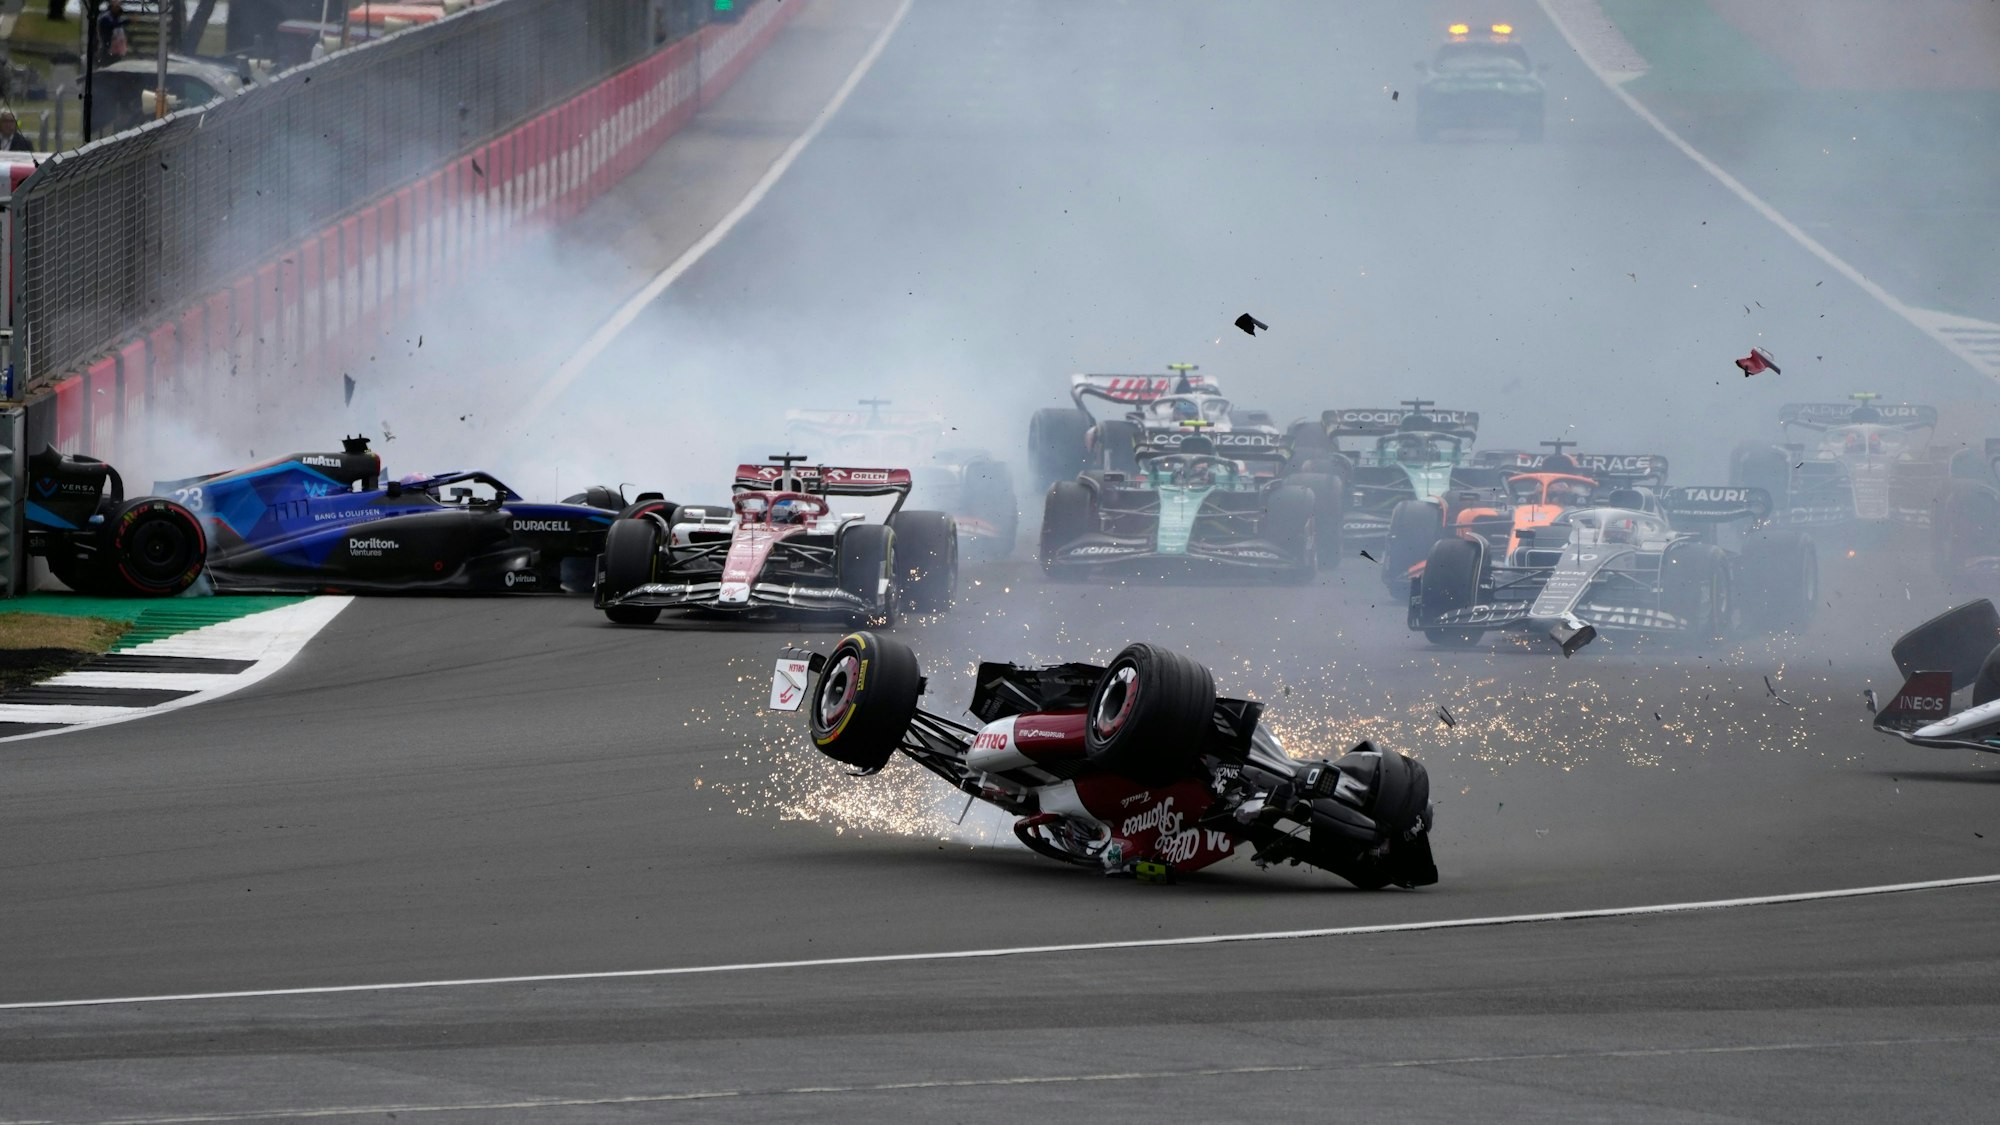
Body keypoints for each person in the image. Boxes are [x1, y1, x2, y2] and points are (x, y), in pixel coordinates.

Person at [97, 1, 130, 67]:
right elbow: (112, 25)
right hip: (108, 46)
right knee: (107, 63)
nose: (119, 8)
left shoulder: (115, 17)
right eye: (117, 7)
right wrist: (125, 22)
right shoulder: (106, 17)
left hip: (115, 47)